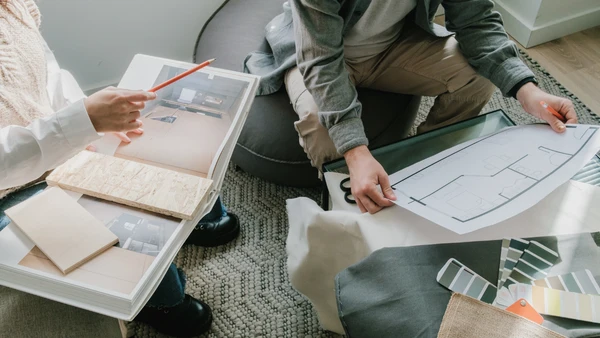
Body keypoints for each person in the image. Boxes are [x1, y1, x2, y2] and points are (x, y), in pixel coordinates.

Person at [0, 1, 239, 337]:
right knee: (108, 229)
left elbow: (47, 75)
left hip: (53, 141)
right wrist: (78, 124)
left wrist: (89, 120)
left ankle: (198, 224)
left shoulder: (13, 7)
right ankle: (162, 302)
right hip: (8, 187)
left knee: (156, 156)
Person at [244, 0, 578, 214]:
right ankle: (353, 204)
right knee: (324, 126)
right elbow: (320, 59)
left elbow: (477, 22)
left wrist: (527, 90)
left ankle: (430, 172)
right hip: (317, 54)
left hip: (390, 47)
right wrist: (356, 151)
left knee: (476, 75)